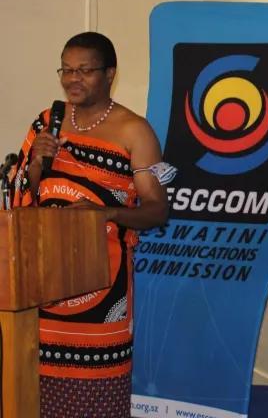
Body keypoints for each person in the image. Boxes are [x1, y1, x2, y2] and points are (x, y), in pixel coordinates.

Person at [9, 32, 173, 417]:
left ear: (110, 73)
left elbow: (157, 210)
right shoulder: (47, 123)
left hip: (102, 294)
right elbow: (20, 197)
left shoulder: (135, 131)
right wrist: (36, 163)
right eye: (66, 70)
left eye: (84, 70)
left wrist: (106, 214)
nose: (73, 79)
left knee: (94, 400)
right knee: (28, 394)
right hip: (42, 289)